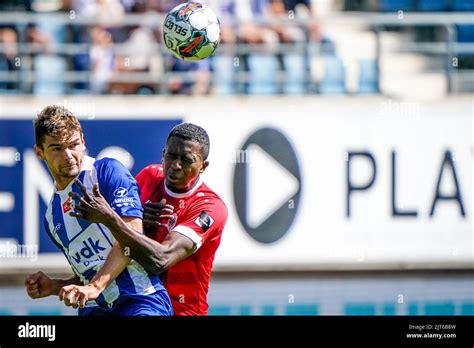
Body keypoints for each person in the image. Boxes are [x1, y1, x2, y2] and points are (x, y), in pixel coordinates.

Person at [64, 123, 228, 315]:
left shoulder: (210, 208)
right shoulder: (149, 175)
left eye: (187, 160)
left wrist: (110, 219)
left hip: (182, 311)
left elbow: (161, 259)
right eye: (171, 156)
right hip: (138, 305)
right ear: (163, 153)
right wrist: (58, 284)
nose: (175, 165)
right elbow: (120, 247)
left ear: (203, 166)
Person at [24, 105, 172, 316]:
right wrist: (54, 286)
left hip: (140, 300)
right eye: (57, 148)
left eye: (73, 145)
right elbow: (88, 272)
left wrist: (95, 287)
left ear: (83, 141)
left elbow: (132, 237)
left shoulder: (106, 172)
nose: (68, 156)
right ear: (40, 152)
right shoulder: (51, 218)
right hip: (95, 309)